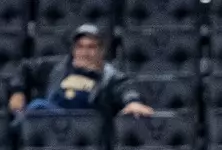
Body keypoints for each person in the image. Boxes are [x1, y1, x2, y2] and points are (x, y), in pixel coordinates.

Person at [11, 24, 154, 120]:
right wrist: (17, 92)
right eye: (80, 47)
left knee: (37, 107)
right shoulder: (57, 67)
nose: (84, 52)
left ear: (101, 51)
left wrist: (133, 102)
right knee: (35, 109)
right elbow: (25, 68)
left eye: (91, 47)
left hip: (85, 129)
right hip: (49, 123)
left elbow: (127, 89)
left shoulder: (110, 76)